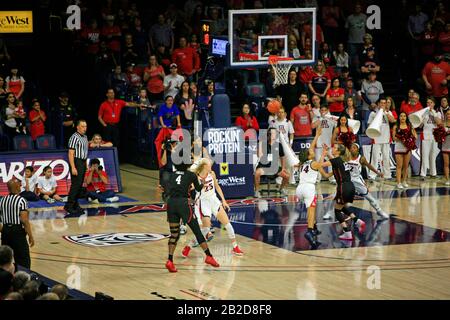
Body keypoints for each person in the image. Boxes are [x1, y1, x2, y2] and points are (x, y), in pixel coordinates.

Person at [164, 159, 220, 272]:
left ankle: (170, 260)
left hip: (171, 204)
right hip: (183, 204)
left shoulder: (172, 174)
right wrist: (203, 183)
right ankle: (209, 256)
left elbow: (166, 191)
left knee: (174, 234)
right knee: (197, 231)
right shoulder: (191, 175)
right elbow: (198, 189)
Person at [182, 158, 244, 257]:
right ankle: (188, 246)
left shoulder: (212, 174)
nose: (211, 164)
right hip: (203, 203)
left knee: (228, 224)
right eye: (209, 163)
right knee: (205, 230)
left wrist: (223, 200)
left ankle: (235, 247)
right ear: (204, 166)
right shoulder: (196, 177)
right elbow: (189, 188)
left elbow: (217, 186)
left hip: (214, 200)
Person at [320, 144, 366, 240]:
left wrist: (323, 154)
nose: (333, 148)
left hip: (343, 187)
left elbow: (320, 165)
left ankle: (347, 232)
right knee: (342, 206)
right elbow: (329, 171)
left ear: (338, 151)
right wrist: (327, 152)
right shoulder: (342, 160)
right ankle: (357, 221)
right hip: (350, 187)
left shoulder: (336, 161)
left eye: (335, 148)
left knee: (337, 210)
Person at [296, 128, 328, 249]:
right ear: (309, 155)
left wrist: (317, 136)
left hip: (299, 189)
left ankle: (314, 229)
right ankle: (309, 231)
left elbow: (311, 148)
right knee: (311, 210)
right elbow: (322, 165)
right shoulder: (313, 163)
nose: (312, 151)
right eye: (311, 152)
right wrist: (328, 156)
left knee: (311, 210)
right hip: (308, 188)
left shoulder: (304, 163)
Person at [348, 143, 390, 219]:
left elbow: (369, 166)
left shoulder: (361, 158)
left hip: (357, 180)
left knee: (369, 197)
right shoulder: (347, 157)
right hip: (347, 180)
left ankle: (379, 210)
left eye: (354, 148)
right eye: (351, 147)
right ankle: (329, 212)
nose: (352, 149)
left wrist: (377, 173)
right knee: (336, 195)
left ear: (357, 149)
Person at [0, 180, 34, 269]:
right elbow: (24, 220)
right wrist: (30, 235)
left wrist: (3, 230)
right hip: (17, 231)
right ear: (16, 187)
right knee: (23, 259)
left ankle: (5, 278)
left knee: (5, 258)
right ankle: (23, 279)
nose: (20, 186)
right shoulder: (21, 200)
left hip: (5, 231)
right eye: (19, 185)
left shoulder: (2, 200)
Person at [367, 98, 397, 181]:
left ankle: (387, 175)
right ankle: (372, 175)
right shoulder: (373, 113)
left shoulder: (388, 112)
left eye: (385, 103)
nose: (383, 105)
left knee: (386, 157)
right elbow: (369, 125)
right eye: (382, 103)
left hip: (386, 138)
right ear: (378, 104)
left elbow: (393, 120)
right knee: (375, 157)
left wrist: (385, 112)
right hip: (376, 138)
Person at [254, 128, 290, 197]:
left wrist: (283, 168)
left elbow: (282, 157)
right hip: (263, 167)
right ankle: (257, 191)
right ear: (269, 135)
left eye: (275, 133)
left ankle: (281, 189)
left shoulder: (279, 145)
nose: (274, 135)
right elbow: (259, 155)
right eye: (272, 133)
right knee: (257, 173)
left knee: (287, 176)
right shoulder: (263, 144)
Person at [64, 120, 89, 215]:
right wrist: (73, 167)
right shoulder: (74, 137)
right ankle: (69, 205)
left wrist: (85, 163)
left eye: (85, 126)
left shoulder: (85, 137)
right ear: (77, 127)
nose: (84, 128)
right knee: (75, 185)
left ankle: (75, 204)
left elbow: (85, 151)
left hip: (82, 162)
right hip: (76, 161)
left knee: (79, 185)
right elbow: (71, 153)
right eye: (82, 126)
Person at [311, 104, 337, 191]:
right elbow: (312, 126)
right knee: (318, 162)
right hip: (319, 144)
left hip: (328, 144)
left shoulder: (331, 118)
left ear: (328, 110)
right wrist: (321, 118)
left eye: (325, 110)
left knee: (331, 162)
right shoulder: (317, 118)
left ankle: (332, 179)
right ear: (320, 111)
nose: (323, 112)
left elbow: (337, 127)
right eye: (322, 110)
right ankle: (317, 179)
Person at [392, 112, 418, 189]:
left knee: (406, 166)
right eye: (401, 116)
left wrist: (409, 139)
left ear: (406, 118)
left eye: (404, 116)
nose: (403, 117)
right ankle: (398, 182)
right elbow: (394, 138)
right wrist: (402, 138)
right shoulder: (396, 127)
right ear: (399, 117)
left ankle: (404, 181)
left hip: (407, 148)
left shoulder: (410, 126)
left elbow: (415, 136)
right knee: (399, 166)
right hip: (399, 148)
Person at [420, 97, 442, 180]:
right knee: (425, 155)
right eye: (427, 102)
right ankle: (423, 174)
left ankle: (433, 173)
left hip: (434, 136)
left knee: (433, 156)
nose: (429, 104)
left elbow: (439, 123)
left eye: (430, 102)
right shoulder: (423, 112)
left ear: (434, 104)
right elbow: (420, 125)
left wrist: (433, 112)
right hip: (425, 136)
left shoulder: (437, 113)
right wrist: (423, 117)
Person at [441, 109, 450, 185]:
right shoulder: (443, 124)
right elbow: (440, 136)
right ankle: (447, 179)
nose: (448, 115)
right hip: (445, 146)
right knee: (446, 164)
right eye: (447, 114)